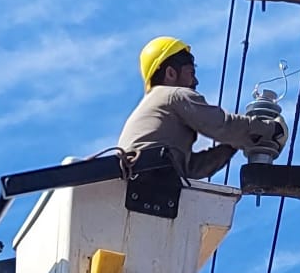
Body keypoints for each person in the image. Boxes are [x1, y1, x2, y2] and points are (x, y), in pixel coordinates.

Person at [119, 36, 288, 179]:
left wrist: (234, 144)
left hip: (140, 185)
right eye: (191, 73)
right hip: (149, 178)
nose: (195, 82)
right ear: (171, 73)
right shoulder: (173, 95)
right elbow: (221, 125)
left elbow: (193, 169)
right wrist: (270, 130)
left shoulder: (156, 107)